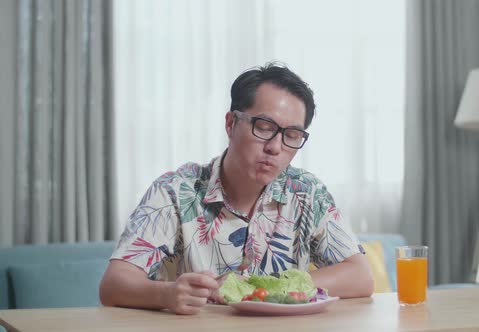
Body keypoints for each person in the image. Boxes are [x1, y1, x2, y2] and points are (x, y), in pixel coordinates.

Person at [99, 62, 374, 315]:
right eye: (264, 127)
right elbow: (113, 285)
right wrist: (167, 294)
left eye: (291, 136)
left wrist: (256, 286)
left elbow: (360, 276)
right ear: (231, 124)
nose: (275, 147)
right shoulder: (175, 191)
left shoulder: (306, 192)